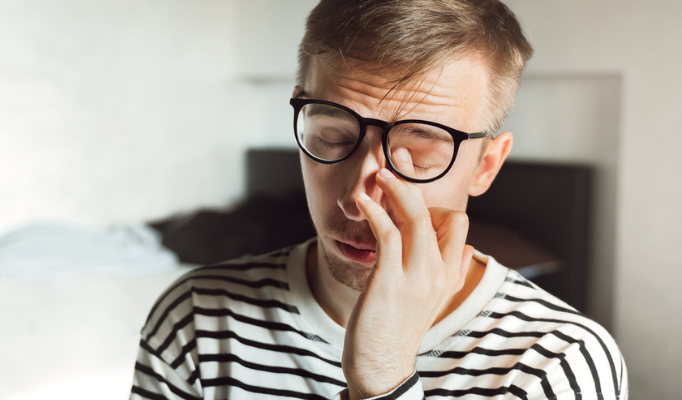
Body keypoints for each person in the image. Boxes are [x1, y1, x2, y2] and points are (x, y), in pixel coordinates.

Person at [129, 0, 628, 399]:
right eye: (332, 137)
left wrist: (383, 381)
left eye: (416, 153)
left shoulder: (557, 363)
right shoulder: (196, 317)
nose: (358, 198)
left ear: (485, 166)